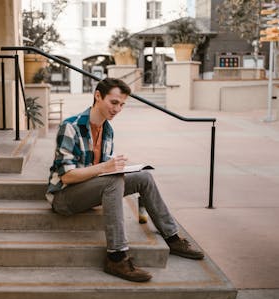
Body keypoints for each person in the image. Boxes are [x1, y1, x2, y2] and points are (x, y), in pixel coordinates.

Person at [46, 78, 204, 283]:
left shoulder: (108, 130)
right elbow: (67, 176)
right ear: (97, 96)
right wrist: (106, 168)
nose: (118, 109)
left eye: (122, 104)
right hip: (64, 197)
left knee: (144, 177)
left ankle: (172, 237)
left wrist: (115, 168)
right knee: (114, 181)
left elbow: (101, 173)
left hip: (88, 190)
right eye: (113, 102)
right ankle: (116, 256)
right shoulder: (71, 126)